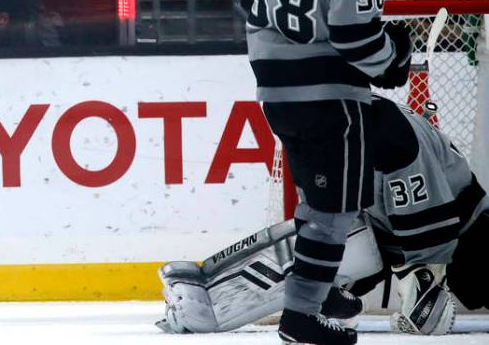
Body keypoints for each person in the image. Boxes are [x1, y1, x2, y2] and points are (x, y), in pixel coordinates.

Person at [246, 0, 411, 345]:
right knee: (336, 210)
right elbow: (355, 37)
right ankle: (300, 318)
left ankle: (313, 290)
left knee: (317, 199)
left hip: (275, 90)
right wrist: (394, 60)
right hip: (329, 96)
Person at [156, 96, 489, 336]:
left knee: (470, 283)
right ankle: (205, 291)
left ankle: (207, 306)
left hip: (467, 231)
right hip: (387, 230)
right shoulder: (325, 129)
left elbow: (432, 229)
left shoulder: (388, 133)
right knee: (319, 246)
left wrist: (421, 283)